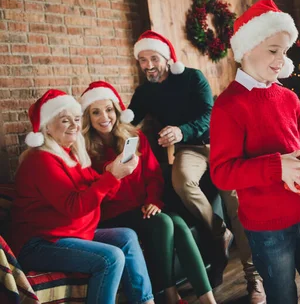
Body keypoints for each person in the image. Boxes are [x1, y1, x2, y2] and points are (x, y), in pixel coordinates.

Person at [209, 0, 300, 303]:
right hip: (268, 230)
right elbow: (222, 174)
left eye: (285, 51)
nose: (281, 59)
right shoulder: (228, 106)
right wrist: (277, 166)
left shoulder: (290, 98)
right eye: (273, 50)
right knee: (282, 297)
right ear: (248, 48)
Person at [127, 30, 264, 301]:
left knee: (237, 205)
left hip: (220, 144)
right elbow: (128, 121)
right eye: (142, 60)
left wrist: (180, 131)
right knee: (181, 182)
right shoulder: (144, 92)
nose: (148, 65)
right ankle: (218, 231)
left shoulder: (192, 78)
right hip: (189, 151)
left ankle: (254, 279)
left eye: (153, 58)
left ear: (167, 58)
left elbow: (209, 115)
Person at [10, 89, 154, 304]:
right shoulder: (40, 160)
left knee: (126, 236)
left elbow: (102, 190)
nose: (75, 126)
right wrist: (112, 176)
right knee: (110, 258)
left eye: (76, 119)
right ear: (47, 127)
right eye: (65, 120)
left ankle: (145, 301)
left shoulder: (70, 154)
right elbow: (75, 206)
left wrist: (115, 172)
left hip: (70, 232)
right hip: (38, 243)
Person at [80, 81, 216, 304]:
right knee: (163, 223)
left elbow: (153, 175)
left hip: (141, 208)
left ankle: (208, 298)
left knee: (178, 224)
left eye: (109, 110)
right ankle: (170, 295)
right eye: (95, 112)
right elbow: (100, 195)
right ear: (88, 117)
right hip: (111, 215)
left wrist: (154, 200)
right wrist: (112, 172)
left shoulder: (134, 138)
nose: (104, 117)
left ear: (117, 111)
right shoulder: (86, 152)